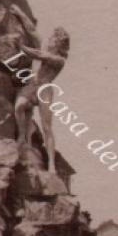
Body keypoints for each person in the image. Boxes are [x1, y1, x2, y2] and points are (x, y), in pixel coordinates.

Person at [13, 27, 70, 172]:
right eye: (51, 39)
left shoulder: (59, 60)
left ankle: (51, 164)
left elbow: (39, 55)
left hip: (45, 89)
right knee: (19, 106)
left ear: (58, 45)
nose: (50, 41)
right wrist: (19, 12)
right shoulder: (46, 47)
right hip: (32, 85)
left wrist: (21, 47)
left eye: (53, 40)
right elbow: (32, 31)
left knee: (46, 127)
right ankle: (21, 135)